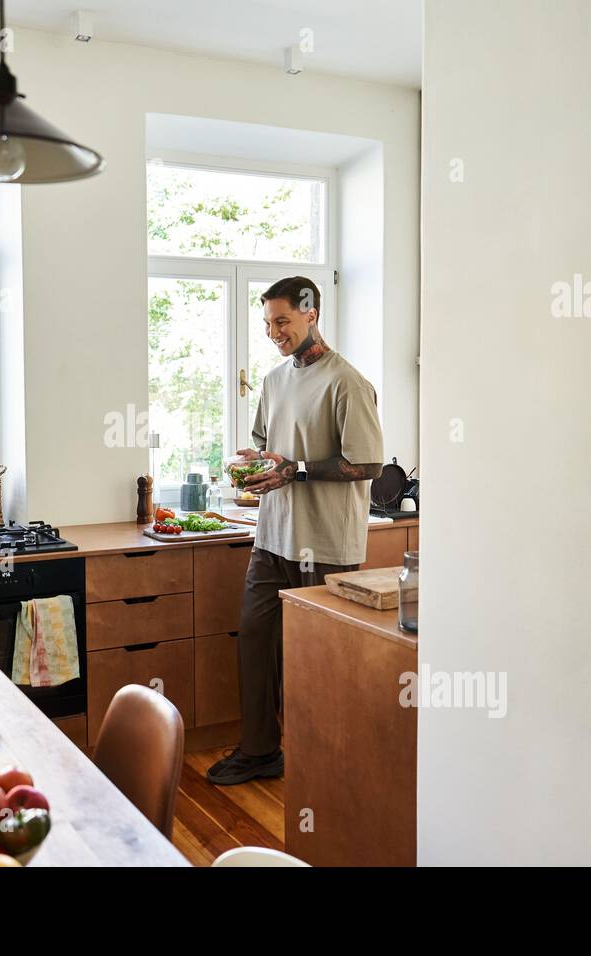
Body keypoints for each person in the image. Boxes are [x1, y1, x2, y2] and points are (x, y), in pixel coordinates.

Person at [206, 276, 384, 786]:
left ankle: (325, 761)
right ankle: (261, 751)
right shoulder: (274, 379)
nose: (273, 332)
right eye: (267, 322)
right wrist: (254, 465)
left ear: (311, 313)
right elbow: (269, 447)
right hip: (272, 537)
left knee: (319, 661)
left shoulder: (347, 381)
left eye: (282, 321)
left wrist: (297, 470)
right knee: (256, 643)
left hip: (325, 544)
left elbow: (367, 463)